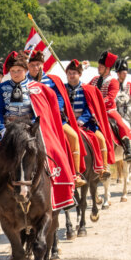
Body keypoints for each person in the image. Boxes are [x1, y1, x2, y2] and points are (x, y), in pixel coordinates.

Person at [0, 51, 75, 215]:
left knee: (56, 152)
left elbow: (45, 113)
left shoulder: (39, 88)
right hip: (8, 130)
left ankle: (63, 193)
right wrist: (2, 129)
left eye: (19, 70)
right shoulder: (1, 89)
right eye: (12, 71)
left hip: (31, 130)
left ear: (26, 70)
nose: (15, 74)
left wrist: (36, 128)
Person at [27, 51, 85, 187]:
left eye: (38, 65)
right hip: (30, 120)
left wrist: (52, 109)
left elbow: (59, 97)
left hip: (53, 119)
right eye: (32, 65)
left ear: (43, 65)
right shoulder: (24, 81)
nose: (36, 68)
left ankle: (75, 175)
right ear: (28, 66)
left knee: (74, 137)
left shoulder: (52, 80)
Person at [65, 60, 112, 181]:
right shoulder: (63, 89)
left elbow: (89, 107)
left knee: (101, 138)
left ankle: (103, 168)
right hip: (68, 123)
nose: (71, 75)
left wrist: (81, 120)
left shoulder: (87, 89)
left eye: (74, 73)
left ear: (79, 74)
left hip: (85, 123)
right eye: (69, 73)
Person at [89, 50, 131, 156]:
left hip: (109, 111)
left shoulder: (113, 81)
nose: (98, 67)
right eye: (99, 65)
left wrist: (97, 104)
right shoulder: (95, 80)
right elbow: (86, 90)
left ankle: (127, 148)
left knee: (121, 124)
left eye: (101, 66)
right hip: (93, 111)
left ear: (107, 68)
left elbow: (110, 98)